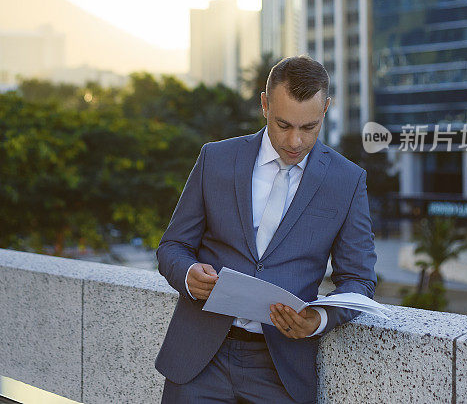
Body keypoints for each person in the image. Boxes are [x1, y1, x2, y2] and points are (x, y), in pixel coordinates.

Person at [155, 56, 377, 403]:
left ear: (326, 109)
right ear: (264, 104)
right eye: (283, 124)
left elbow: (360, 280)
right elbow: (172, 246)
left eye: (309, 127)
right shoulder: (216, 159)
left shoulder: (347, 181)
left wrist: (319, 319)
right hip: (199, 359)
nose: (295, 141)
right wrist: (187, 274)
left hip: (282, 369)